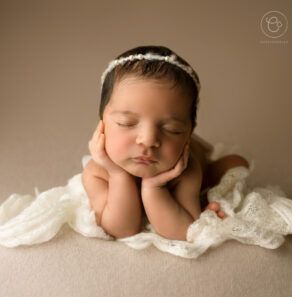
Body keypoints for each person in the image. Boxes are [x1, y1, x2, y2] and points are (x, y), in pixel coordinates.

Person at [82, 45, 249, 241]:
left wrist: (154, 187)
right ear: (101, 125)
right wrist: (118, 175)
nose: (149, 140)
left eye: (172, 129)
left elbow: (183, 232)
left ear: (188, 133)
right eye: (126, 123)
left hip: (198, 161)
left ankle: (200, 162)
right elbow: (121, 229)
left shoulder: (185, 170)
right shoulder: (97, 173)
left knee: (236, 164)